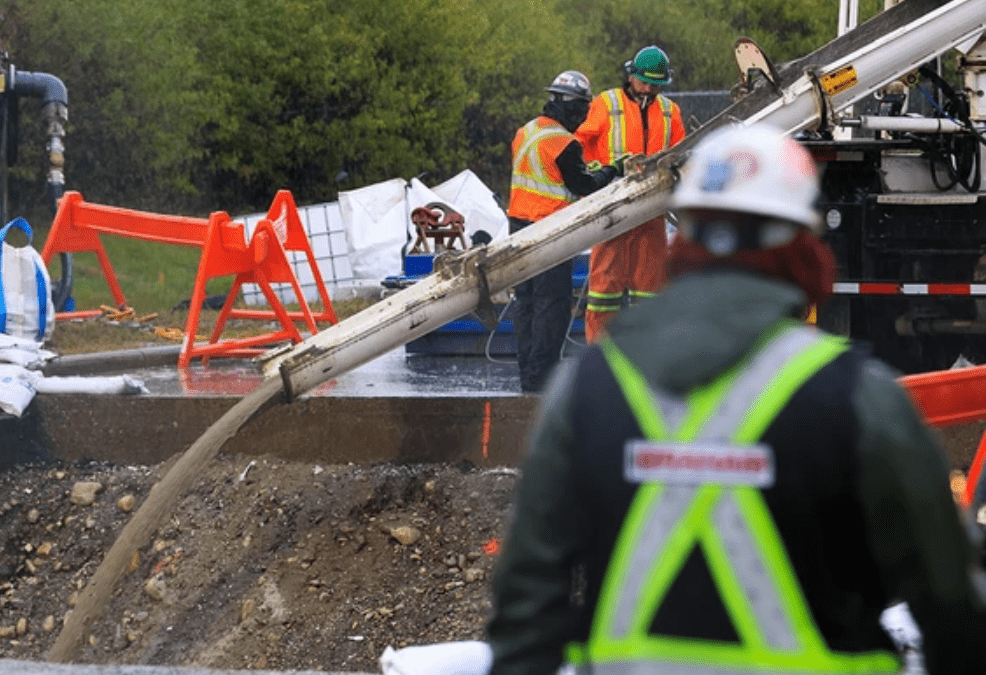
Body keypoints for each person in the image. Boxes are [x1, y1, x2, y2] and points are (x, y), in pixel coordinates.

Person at [487, 123, 986, 675]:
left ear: (684, 243)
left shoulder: (584, 391)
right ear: (804, 247)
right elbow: (949, 607)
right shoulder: (860, 400)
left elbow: (525, 614)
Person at [507, 70, 621, 393]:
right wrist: (613, 170)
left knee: (525, 304)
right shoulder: (564, 142)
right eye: (583, 110)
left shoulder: (526, 131)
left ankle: (527, 378)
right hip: (549, 232)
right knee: (551, 308)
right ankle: (542, 381)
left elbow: (548, 175)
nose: (584, 117)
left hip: (518, 227)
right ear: (573, 107)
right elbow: (583, 185)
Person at [575, 45, 686, 343]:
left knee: (650, 290)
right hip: (612, 208)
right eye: (644, 82)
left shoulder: (669, 111)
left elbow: (680, 156)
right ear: (631, 76)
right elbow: (580, 146)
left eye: (655, 84)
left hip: (651, 211)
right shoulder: (606, 103)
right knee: (603, 291)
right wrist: (604, 170)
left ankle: (646, 357)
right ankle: (600, 357)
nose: (649, 89)